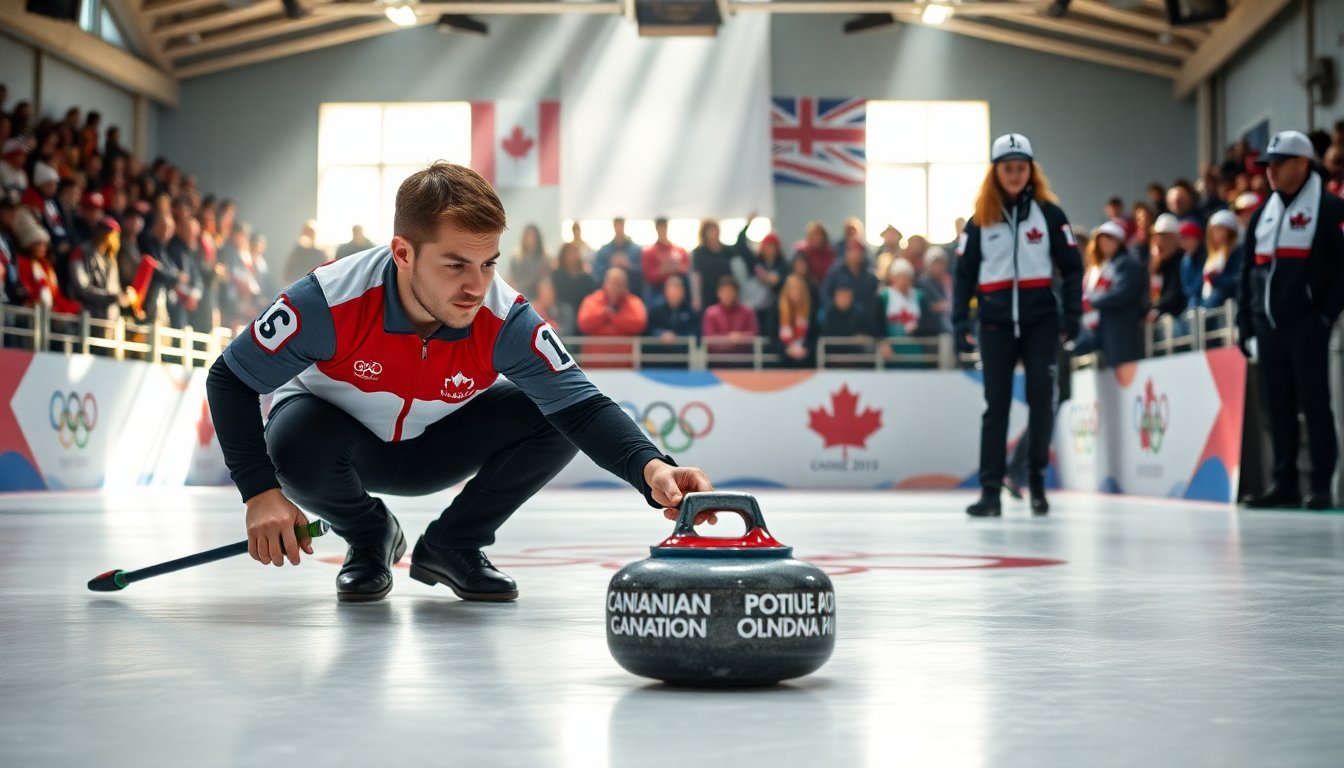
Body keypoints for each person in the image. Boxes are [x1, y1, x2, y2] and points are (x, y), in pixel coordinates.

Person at [204, 163, 713, 603]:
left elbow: (580, 405)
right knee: (289, 441)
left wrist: (652, 468)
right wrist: (259, 493)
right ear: (402, 253)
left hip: (433, 450)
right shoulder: (325, 300)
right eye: (455, 265)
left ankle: (454, 543)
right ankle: (369, 535)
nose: (476, 286)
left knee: (553, 413)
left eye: (489, 263)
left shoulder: (506, 317)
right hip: (335, 446)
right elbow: (230, 378)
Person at [952, 133, 1082, 517]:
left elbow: (1073, 268)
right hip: (994, 323)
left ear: (1031, 170)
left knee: (1043, 399)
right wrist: (960, 319)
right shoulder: (980, 220)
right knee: (997, 405)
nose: (1014, 174)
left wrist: (1072, 315)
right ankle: (990, 490)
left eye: (1020, 168)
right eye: (1007, 168)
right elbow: (963, 275)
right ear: (996, 173)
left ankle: (1035, 481)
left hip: (1041, 320)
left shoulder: (1050, 215)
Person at [1237, 130, 1344, 510]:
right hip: (1268, 327)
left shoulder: (1331, 209)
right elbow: (1248, 272)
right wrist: (1245, 324)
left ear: (1302, 163)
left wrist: (1324, 315)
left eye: (1279, 164)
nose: (1271, 172)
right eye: (1268, 165)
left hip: (1307, 325)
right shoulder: (1262, 216)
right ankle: (1283, 484)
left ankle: (1319, 485)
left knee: (1315, 405)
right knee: (1277, 408)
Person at [506, 223, 550, 300]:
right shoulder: (516, 259)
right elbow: (510, 279)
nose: (530, 239)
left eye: (533, 236)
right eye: (528, 236)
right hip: (519, 295)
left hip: (538, 297)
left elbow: (546, 281)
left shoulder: (544, 259)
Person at [282, 219, 327, 285]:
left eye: (311, 233)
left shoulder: (321, 253)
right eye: (307, 233)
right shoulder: (298, 251)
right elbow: (288, 273)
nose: (309, 235)